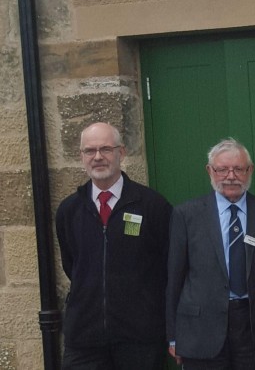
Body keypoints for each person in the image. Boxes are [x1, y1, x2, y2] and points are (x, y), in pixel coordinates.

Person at [55, 122, 172, 369]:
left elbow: (167, 266)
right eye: (90, 151)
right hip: (84, 340)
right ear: (81, 156)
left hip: (140, 339)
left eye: (106, 149)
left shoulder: (152, 206)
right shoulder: (69, 210)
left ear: (121, 152)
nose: (98, 157)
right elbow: (72, 264)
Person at [166, 138, 255, 369]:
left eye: (238, 169)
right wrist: (173, 335)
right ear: (210, 171)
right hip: (201, 330)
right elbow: (174, 278)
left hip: (254, 329)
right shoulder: (186, 215)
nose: (230, 176)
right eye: (222, 169)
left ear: (249, 170)